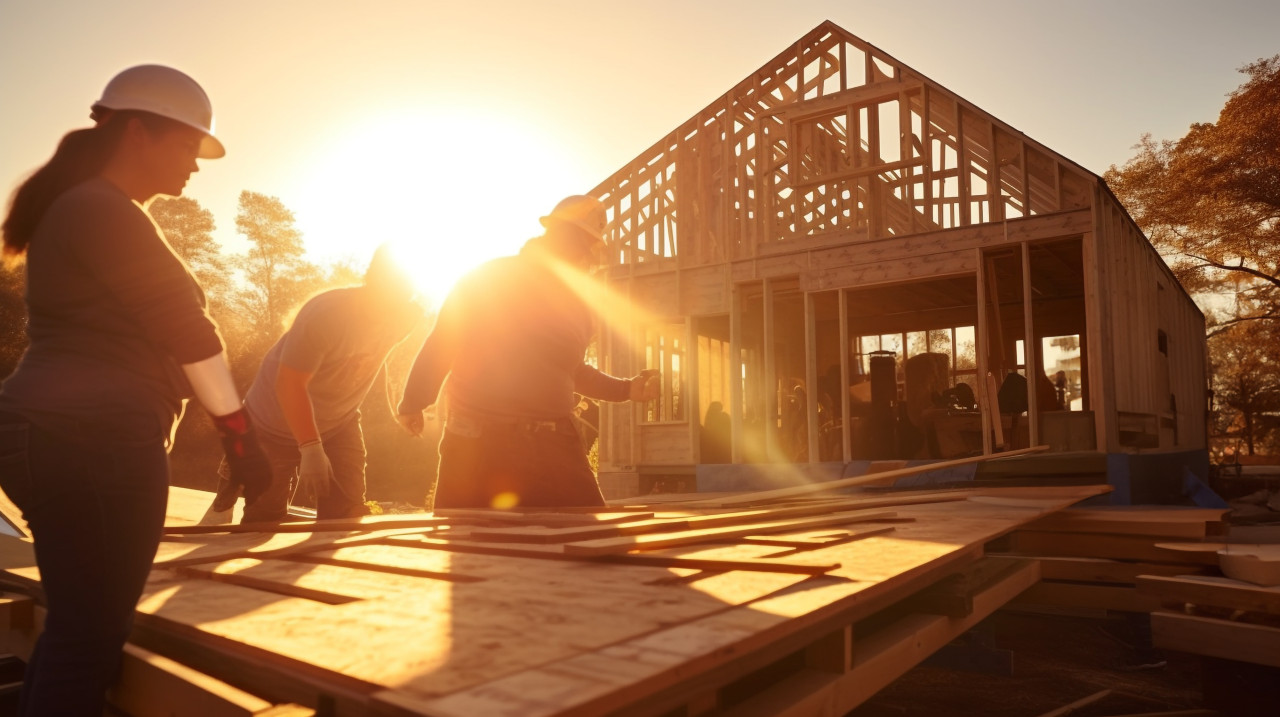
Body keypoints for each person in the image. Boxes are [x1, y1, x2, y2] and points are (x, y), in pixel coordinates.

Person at [0, 65, 271, 715]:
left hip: (54, 431)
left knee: (73, 625)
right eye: (186, 145)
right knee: (90, 633)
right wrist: (240, 439)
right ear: (137, 132)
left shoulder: (80, 206)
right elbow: (192, 333)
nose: (196, 166)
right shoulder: (101, 208)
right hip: (94, 440)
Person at [396, 195, 660, 509]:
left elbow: (570, 370)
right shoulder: (488, 279)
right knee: (468, 542)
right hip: (479, 442)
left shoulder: (580, 306)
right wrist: (415, 399)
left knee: (588, 540)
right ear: (570, 244)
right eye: (584, 248)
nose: (589, 260)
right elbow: (445, 341)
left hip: (554, 443)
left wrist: (626, 388)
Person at [201, 244, 423, 524]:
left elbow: (379, 356)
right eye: (388, 289)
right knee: (264, 521)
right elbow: (289, 385)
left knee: (345, 514)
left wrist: (401, 406)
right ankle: (232, 483)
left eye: (404, 292)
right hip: (274, 422)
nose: (393, 303)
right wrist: (310, 448)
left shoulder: (407, 316)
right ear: (371, 278)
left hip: (339, 421)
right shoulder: (327, 315)